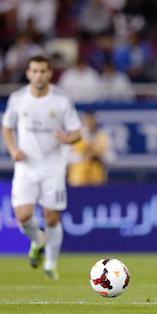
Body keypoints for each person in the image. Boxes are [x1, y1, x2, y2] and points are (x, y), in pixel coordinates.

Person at [2, 55, 82, 280]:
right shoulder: (18, 99)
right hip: (26, 166)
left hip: (53, 167)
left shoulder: (61, 100)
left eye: (43, 71)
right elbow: (7, 127)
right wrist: (12, 149)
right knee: (23, 216)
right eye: (34, 71)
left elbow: (77, 131)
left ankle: (50, 264)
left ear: (49, 73)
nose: (39, 75)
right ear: (28, 73)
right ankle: (38, 240)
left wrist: (68, 139)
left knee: (52, 218)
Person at [67, 111, 116, 186]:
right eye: (87, 119)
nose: (89, 122)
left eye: (92, 119)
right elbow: (65, 158)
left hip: (97, 182)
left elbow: (112, 158)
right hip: (77, 182)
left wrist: (99, 156)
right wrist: (82, 156)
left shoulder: (103, 136)